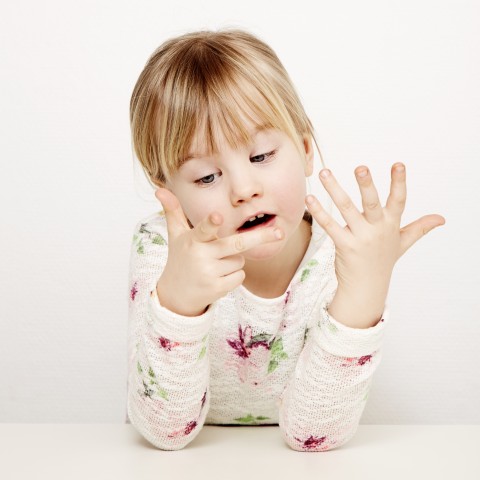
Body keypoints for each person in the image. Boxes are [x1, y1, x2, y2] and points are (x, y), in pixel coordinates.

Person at [127, 28, 445, 451]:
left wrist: (363, 295)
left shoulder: (344, 255)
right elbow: (163, 434)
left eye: (261, 156)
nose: (243, 189)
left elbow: (314, 436)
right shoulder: (162, 250)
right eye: (206, 176)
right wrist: (178, 304)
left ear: (305, 149)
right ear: (166, 189)